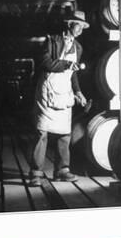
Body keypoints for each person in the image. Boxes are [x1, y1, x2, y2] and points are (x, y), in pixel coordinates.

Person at [29, 11, 90, 187]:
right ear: (70, 24)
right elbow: (45, 62)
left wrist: (78, 92)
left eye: (83, 27)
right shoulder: (52, 40)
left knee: (65, 133)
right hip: (47, 90)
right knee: (42, 132)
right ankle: (36, 173)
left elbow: (73, 74)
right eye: (78, 25)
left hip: (64, 90)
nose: (81, 30)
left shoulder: (78, 47)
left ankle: (62, 169)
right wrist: (67, 64)